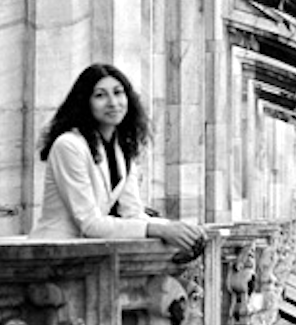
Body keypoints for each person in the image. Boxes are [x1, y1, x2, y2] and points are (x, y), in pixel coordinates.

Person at [30, 63, 204, 256]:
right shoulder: (69, 145)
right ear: (84, 102)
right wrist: (161, 229)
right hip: (54, 255)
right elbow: (90, 223)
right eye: (100, 95)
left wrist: (180, 229)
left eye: (118, 92)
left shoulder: (121, 148)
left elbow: (132, 213)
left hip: (88, 256)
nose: (113, 102)